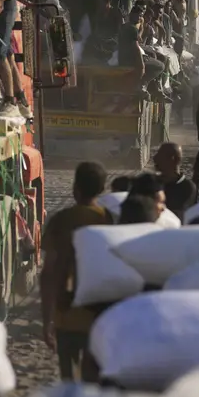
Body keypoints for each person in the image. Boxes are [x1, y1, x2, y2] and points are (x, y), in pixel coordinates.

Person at [40, 162, 112, 382]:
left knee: (68, 379)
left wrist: (47, 319)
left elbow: (49, 272)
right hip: (99, 316)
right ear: (102, 189)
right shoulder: (109, 220)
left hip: (66, 315)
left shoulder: (61, 220)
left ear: (75, 188)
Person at [153, 142, 196, 217]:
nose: (155, 158)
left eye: (160, 156)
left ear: (173, 159)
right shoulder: (153, 183)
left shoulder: (187, 187)